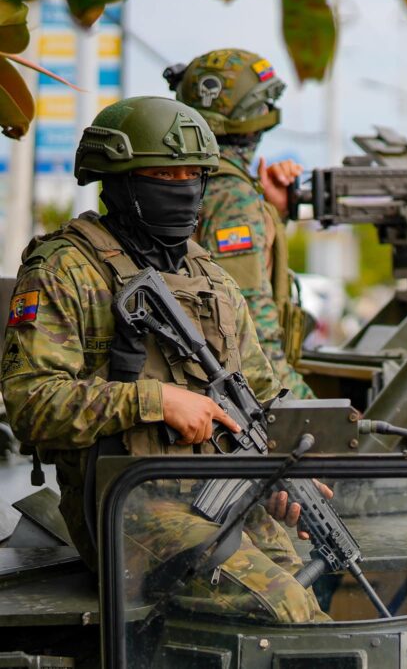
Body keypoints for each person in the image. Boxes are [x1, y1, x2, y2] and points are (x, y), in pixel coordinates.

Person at [0, 97, 327, 623]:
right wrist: (155, 401)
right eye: (162, 174)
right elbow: (30, 404)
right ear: (120, 181)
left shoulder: (211, 277)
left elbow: (262, 395)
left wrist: (286, 472)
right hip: (127, 506)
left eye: (192, 175)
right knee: (283, 606)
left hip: (224, 497)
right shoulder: (66, 269)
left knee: (312, 600)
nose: (182, 188)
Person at [166, 49, 313, 399]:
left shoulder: (200, 178)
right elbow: (250, 327)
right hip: (234, 394)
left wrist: (273, 210)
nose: (268, 113)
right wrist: (303, 405)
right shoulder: (231, 193)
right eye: (262, 105)